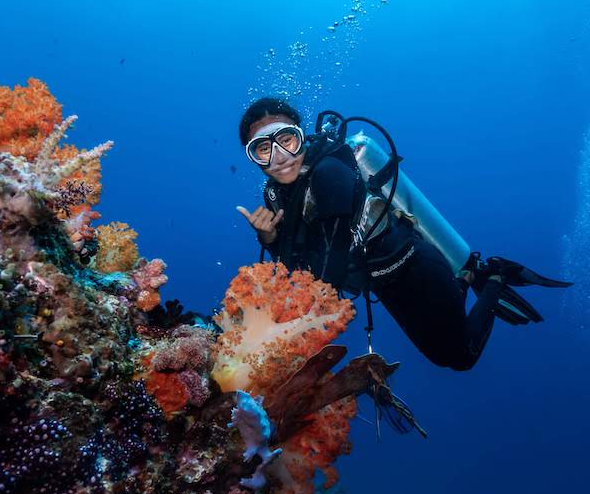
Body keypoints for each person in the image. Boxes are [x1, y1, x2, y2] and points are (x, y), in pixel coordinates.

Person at [236, 97, 571, 371]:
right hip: (384, 281)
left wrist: (295, 338)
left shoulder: (328, 174)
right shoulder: (278, 194)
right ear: (252, 157)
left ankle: (494, 277)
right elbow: (302, 260)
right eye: (262, 149)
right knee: (444, 353)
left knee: (459, 357)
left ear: (300, 136)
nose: (279, 157)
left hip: (413, 267)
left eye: (287, 140)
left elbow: (329, 271)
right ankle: (468, 276)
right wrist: (268, 238)